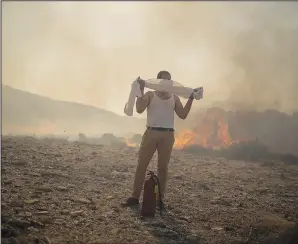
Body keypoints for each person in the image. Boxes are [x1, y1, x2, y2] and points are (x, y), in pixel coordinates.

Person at [122, 70, 196, 210]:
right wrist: (141, 90)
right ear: (158, 81)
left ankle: (160, 199)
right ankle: (135, 197)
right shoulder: (151, 94)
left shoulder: (174, 98)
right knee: (141, 165)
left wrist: (191, 98)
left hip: (167, 135)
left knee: (163, 168)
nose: (166, 83)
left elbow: (183, 115)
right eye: (163, 80)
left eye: (169, 80)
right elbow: (139, 109)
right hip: (151, 132)